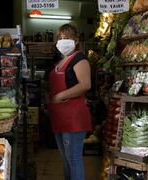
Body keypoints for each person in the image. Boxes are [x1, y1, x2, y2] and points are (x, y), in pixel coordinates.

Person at [47, 23, 92, 180]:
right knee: (66, 160)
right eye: (60, 38)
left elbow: (85, 84)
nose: (62, 41)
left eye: (67, 37)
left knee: (73, 159)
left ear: (76, 39)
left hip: (73, 117)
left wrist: (60, 96)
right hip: (60, 115)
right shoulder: (61, 61)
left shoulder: (79, 59)